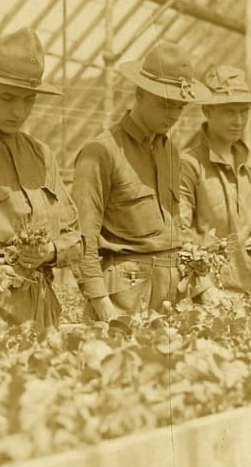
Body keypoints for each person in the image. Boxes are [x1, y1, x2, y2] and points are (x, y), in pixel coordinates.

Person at [72, 41, 222, 320]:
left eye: (179, 107)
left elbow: (174, 235)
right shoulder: (101, 152)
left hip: (170, 294)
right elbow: (82, 240)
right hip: (124, 294)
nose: (173, 115)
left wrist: (204, 286)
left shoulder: (170, 152)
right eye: (165, 104)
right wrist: (103, 305)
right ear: (139, 94)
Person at [0, 28, 81, 334]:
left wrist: (49, 251)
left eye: (29, 100)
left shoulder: (41, 156)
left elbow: (76, 239)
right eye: (8, 98)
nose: (19, 111)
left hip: (42, 313)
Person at [180, 65, 251, 294]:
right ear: (208, 111)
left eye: (244, 112)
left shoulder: (249, 163)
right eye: (230, 112)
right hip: (209, 296)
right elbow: (179, 236)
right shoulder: (189, 164)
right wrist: (205, 289)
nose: (238, 121)